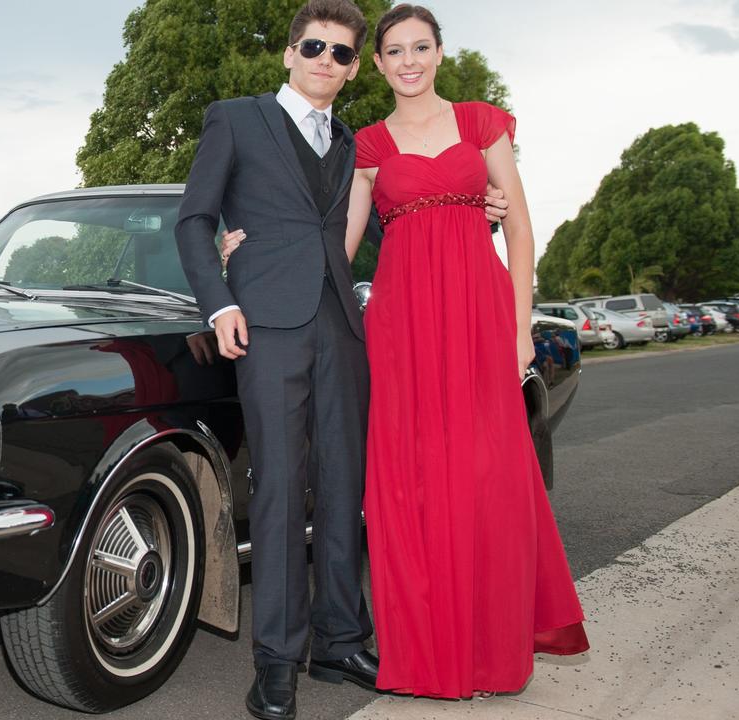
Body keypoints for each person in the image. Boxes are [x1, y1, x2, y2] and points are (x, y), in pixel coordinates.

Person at [221, 2, 589, 702]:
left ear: (440, 53)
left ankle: (488, 645)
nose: (409, 61)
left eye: (421, 47)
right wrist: (245, 249)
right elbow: (335, 244)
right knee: (410, 487)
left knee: (489, 476)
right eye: (395, 51)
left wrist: (518, 333)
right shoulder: (368, 147)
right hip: (400, 330)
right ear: (378, 64)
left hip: (479, 318)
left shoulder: (483, 123)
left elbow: (522, 234)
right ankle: (426, 650)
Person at [176, 2, 508, 718]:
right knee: (279, 486)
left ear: (357, 68)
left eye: (343, 54)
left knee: (342, 486)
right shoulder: (235, 117)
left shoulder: (355, 143)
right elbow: (195, 217)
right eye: (316, 47)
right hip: (263, 326)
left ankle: (340, 638)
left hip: (343, 328)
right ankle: (276, 661)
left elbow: (398, 207)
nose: (328, 60)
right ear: (290, 53)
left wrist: (475, 210)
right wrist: (218, 298)